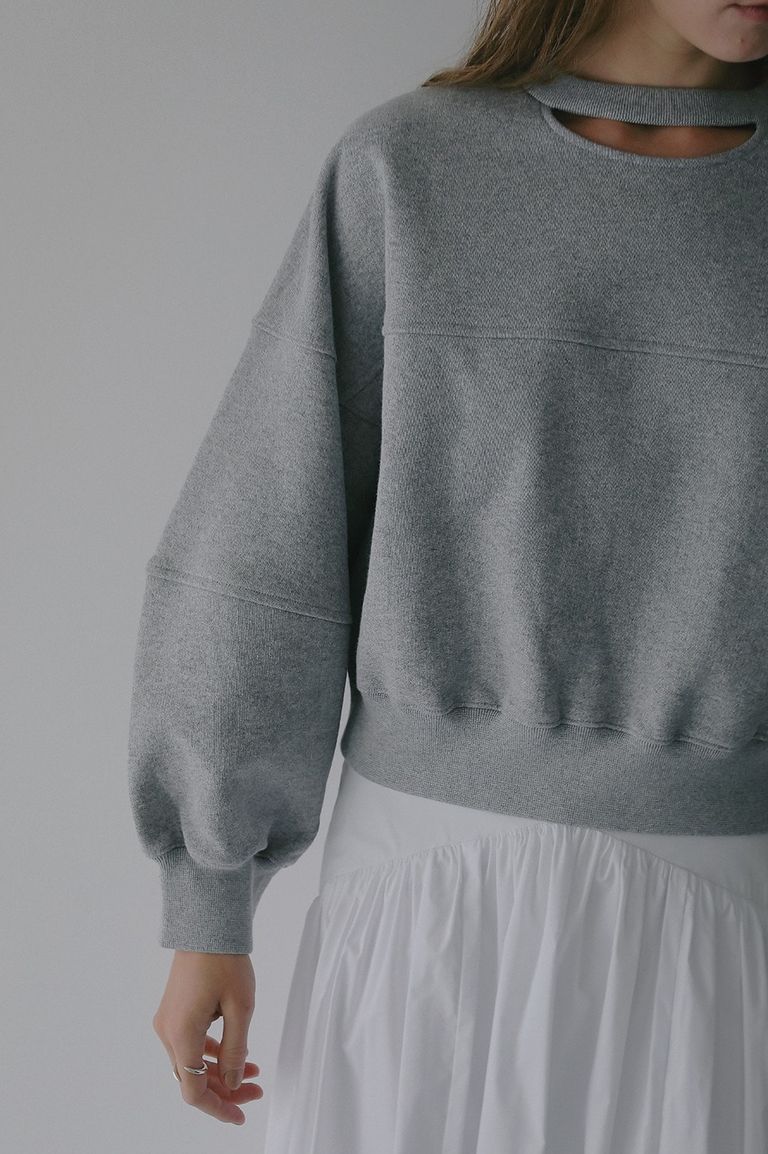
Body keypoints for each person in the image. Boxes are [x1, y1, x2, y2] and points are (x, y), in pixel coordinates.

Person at [126, 0, 768, 1147]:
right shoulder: (410, 168)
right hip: (427, 915)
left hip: (732, 927)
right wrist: (209, 900)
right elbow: (267, 532)